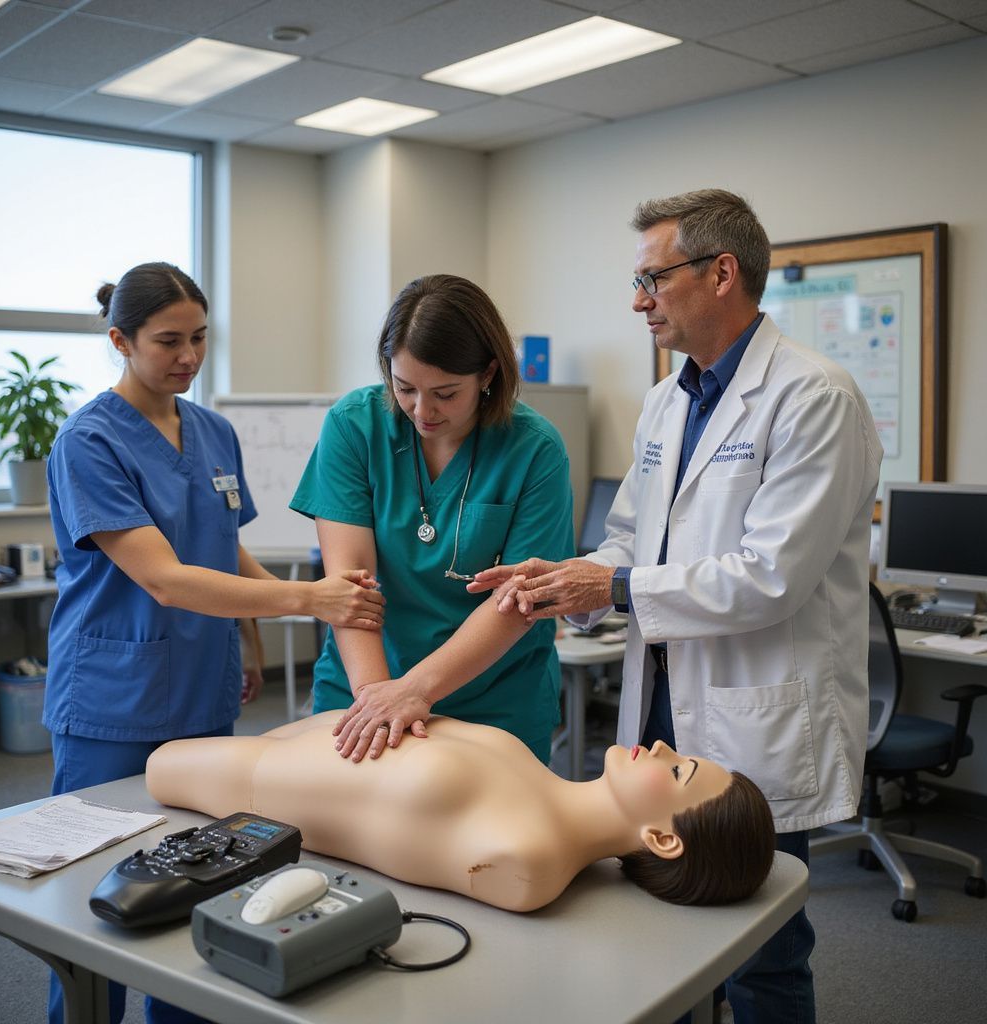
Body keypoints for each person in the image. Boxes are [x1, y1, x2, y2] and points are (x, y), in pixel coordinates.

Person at [470, 190, 884, 1024]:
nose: (637, 301)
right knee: (657, 931)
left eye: (651, 279)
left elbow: (770, 576)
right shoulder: (667, 400)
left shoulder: (813, 397)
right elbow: (631, 540)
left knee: (763, 953)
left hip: (751, 719)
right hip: (659, 713)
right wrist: (570, 580)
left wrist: (614, 586)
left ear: (721, 273)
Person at [44, 261, 384, 1024]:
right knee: (95, 897)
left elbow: (224, 548)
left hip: (201, 691)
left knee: (205, 878)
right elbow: (164, 578)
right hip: (112, 701)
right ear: (120, 341)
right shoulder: (89, 441)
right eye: (168, 341)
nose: (188, 357)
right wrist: (309, 599)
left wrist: (254, 639)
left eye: (199, 338)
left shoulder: (213, 429)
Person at [289, 274, 574, 765]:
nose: (423, 411)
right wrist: (378, 700)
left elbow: (520, 598)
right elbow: (351, 584)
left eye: (446, 393)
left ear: (487, 374)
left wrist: (416, 691)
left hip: (494, 698)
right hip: (366, 680)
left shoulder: (535, 450)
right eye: (405, 388)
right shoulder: (354, 425)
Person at [146, 711, 775, 912]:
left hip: (251, 784)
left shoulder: (526, 857)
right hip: (294, 740)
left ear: (662, 840)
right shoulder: (536, 780)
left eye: (678, 770)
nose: (663, 747)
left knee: (157, 763)